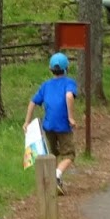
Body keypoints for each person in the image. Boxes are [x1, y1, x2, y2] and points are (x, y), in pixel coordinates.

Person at [26, 53, 78, 194]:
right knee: (69, 154)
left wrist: (27, 122)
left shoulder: (46, 85)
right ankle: (56, 176)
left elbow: (33, 102)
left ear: (50, 69)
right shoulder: (69, 83)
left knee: (53, 154)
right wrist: (71, 117)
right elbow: (69, 96)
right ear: (67, 68)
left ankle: (51, 183)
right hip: (63, 126)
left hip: (48, 126)